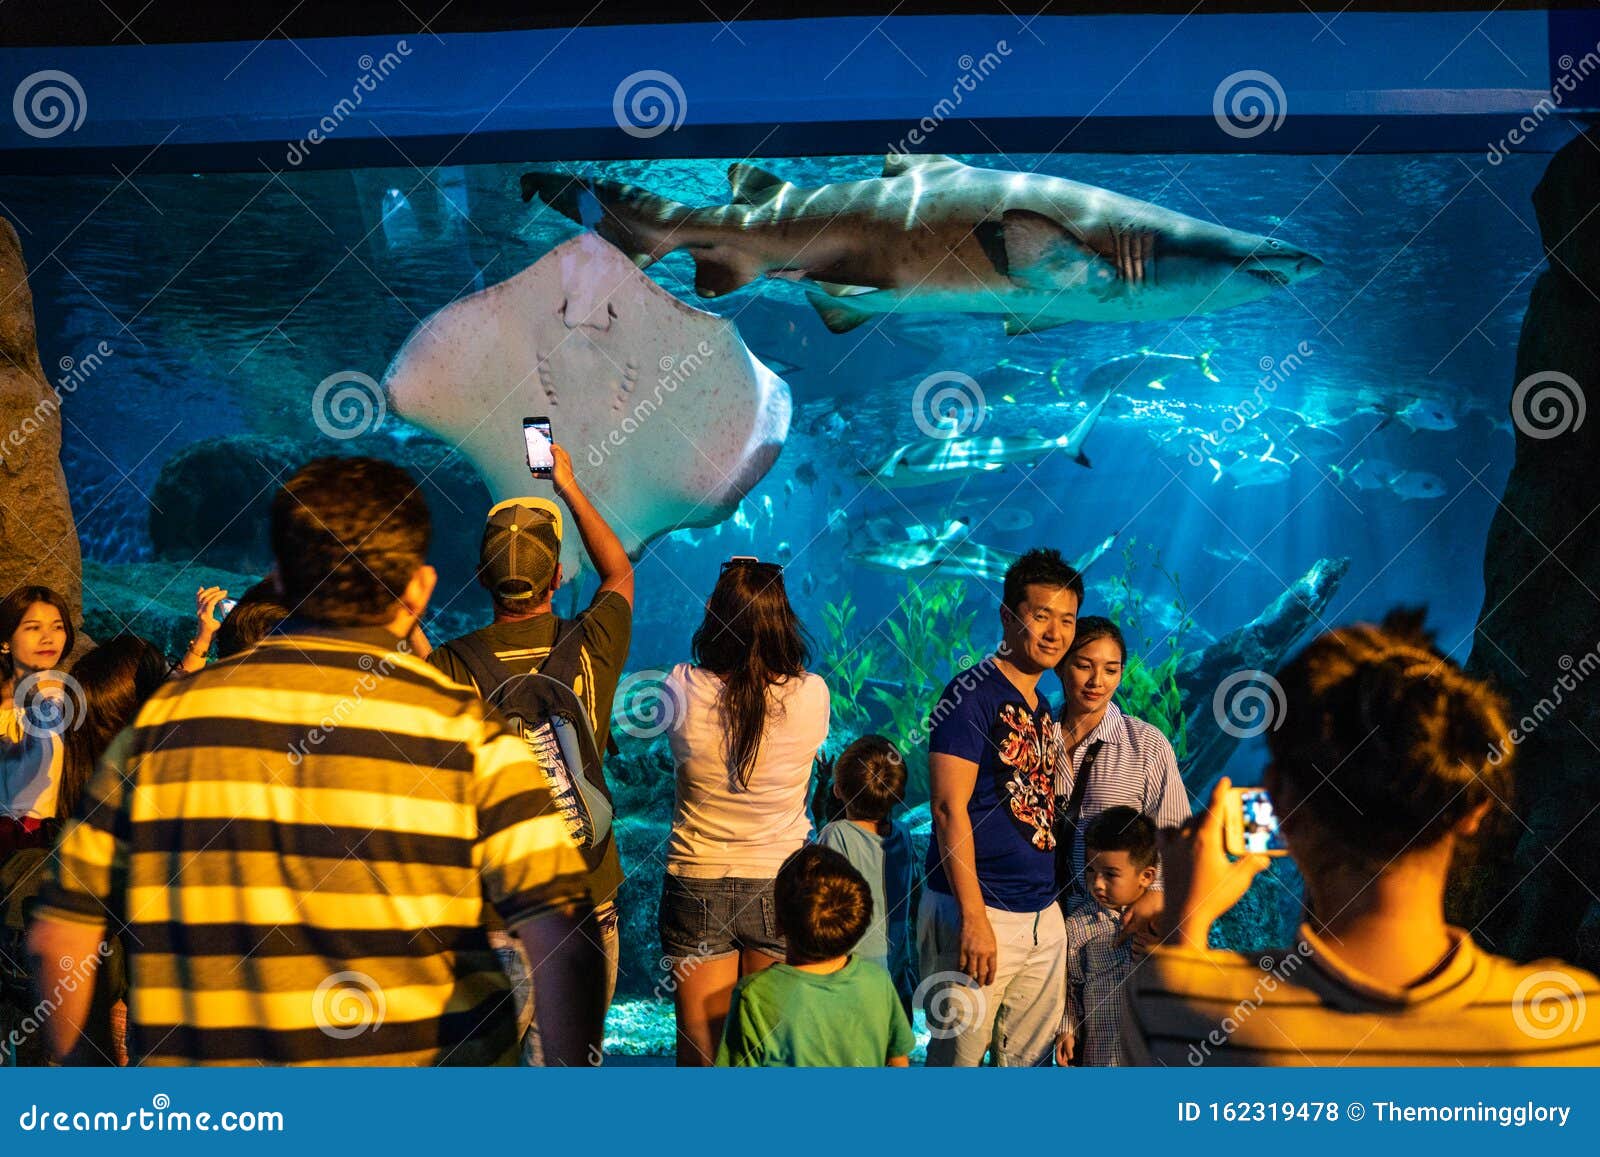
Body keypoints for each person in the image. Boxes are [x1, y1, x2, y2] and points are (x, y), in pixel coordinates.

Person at [25, 457, 604, 1066]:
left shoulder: (162, 727)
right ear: (419, 591)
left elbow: (61, 932)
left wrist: (86, 1097)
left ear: (278, 577)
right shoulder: (469, 736)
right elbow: (563, 940)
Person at [1127, 608, 1600, 1066]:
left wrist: (1184, 927)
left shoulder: (1174, 1011)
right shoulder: (1571, 1025)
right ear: (1474, 810)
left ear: (1278, 799)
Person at [427, 442, 632, 1063]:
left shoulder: (448, 667)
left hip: (493, 910)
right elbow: (619, 573)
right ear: (559, 577)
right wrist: (566, 482)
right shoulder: (593, 641)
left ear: (483, 577)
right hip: (584, 902)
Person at [662, 557, 829, 1066]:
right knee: (767, 1058)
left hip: (696, 879)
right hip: (778, 885)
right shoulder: (812, 694)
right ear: (784, 618)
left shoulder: (680, 685)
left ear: (714, 615)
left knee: (701, 1057)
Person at [920, 547, 1079, 1067]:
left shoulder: (1042, 704)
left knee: (1028, 1067)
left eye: (1067, 620)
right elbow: (946, 807)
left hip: (1040, 915)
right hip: (979, 911)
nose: (1055, 632)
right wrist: (972, 917)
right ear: (1008, 617)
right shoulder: (970, 694)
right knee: (957, 1065)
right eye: (1040, 616)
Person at [1054, 617, 1191, 953]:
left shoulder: (1146, 744)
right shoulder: (1038, 735)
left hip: (1122, 926)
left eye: (1111, 670)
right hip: (1046, 919)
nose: (1097, 681)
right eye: (1084, 666)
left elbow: (1177, 833)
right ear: (1060, 665)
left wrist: (1157, 895)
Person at [716, 845, 914, 1067]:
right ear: (858, 923)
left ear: (777, 922)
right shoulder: (878, 982)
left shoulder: (754, 995)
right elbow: (899, 1061)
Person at [816, 734, 919, 1013]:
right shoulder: (904, 835)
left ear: (838, 789)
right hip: (897, 975)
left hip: (851, 975)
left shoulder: (835, 835)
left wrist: (822, 787)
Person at [1057, 807, 1157, 1068]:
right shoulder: (1077, 926)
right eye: (1091, 871)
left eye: (1110, 874)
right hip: (1101, 1053)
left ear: (1146, 877)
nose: (1097, 884)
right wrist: (1067, 1029)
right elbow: (1070, 986)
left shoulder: (1164, 923)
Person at [0, 585, 73, 841]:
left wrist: (200, 642)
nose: (48, 638)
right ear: (5, 641)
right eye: (33, 627)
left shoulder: (75, 695)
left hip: (53, 837)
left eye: (58, 626)